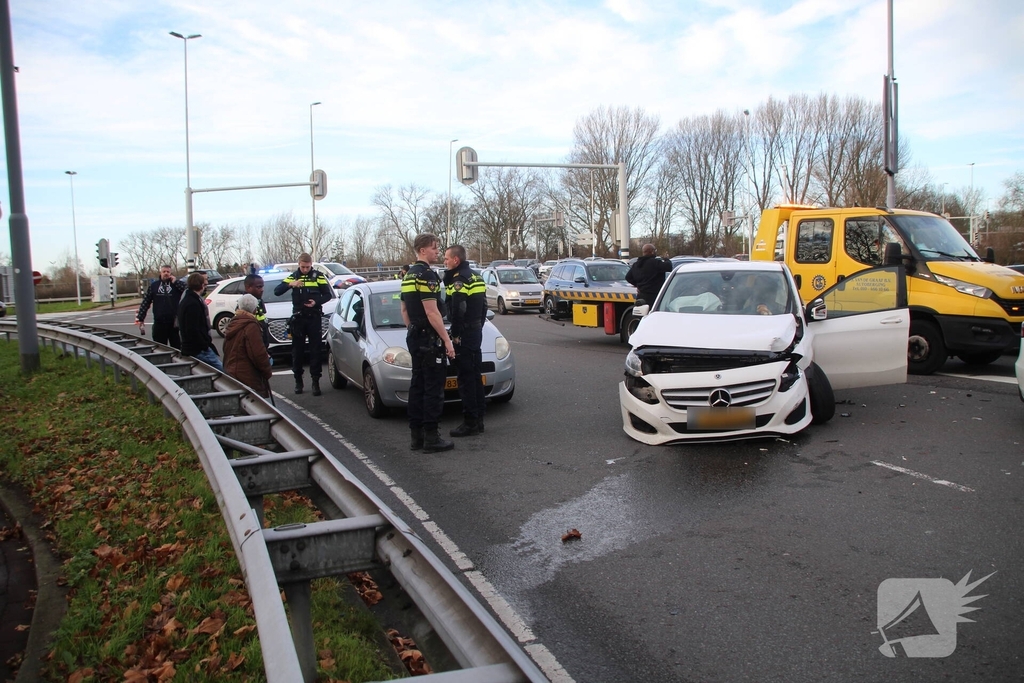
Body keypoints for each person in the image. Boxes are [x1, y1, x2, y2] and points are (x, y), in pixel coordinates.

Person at [401, 234, 456, 453]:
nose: (438, 252)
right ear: (423, 250)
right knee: (433, 388)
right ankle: (432, 438)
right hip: (429, 339)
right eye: (435, 249)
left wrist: (412, 329)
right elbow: (432, 312)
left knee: (417, 386)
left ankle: (417, 437)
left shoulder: (408, 276)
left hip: (415, 335)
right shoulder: (427, 276)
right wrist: (446, 340)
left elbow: (404, 309)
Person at [443, 244, 487, 437]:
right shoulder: (476, 276)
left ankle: (470, 422)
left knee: (465, 378)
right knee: (475, 376)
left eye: (446, 259)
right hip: (476, 331)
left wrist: (455, 334)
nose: (444, 262)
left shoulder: (459, 280)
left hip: (465, 334)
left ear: (456, 260)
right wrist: (478, 326)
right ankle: (478, 420)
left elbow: (458, 309)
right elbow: (484, 305)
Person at [274, 253, 332, 396]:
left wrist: (316, 302)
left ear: (311, 264)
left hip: (314, 318)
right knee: (297, 352)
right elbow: (277, 291)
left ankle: (315, 382)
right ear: (298, 264)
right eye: (303, 267)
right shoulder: (293, 276)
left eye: (308, 267)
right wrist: (290, 284)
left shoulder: (318, 276)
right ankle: (298, 381)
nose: (305, 269)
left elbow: (328, 295)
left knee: (315, 351)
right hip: (298, 319)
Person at [223, 294, 273, 398]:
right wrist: (267, 372)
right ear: (255, 309)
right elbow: (258, 354)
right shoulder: (251, 326)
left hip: (231, 372)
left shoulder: (233, 323)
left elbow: (225, 349)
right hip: (247, 376)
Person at [177, 271, 224, 371]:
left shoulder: (187, 300)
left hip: (191, 347)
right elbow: (193, 328)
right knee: (224, 373)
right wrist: (204, 344)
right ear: (202, 285)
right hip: (198, 349)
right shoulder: (193, 303)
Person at [135, 264, 187, 348]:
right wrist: (141, 318)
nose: (166, 273)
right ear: (160, 272)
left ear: (171, 273)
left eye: (168, 272)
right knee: (160, 347)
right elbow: (146, 302)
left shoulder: (176, 285)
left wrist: (176, 282)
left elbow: (188, 290)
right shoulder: (154, 286)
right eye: (164, 272)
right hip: (159, 322)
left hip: (173, 323)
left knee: (177, 347)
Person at [244, 274, 271, 352]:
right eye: (258, 287)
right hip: (255, 348)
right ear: (248, 287)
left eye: (262, 287)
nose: (262, 289)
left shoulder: (258, 300)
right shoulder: (246, 304)